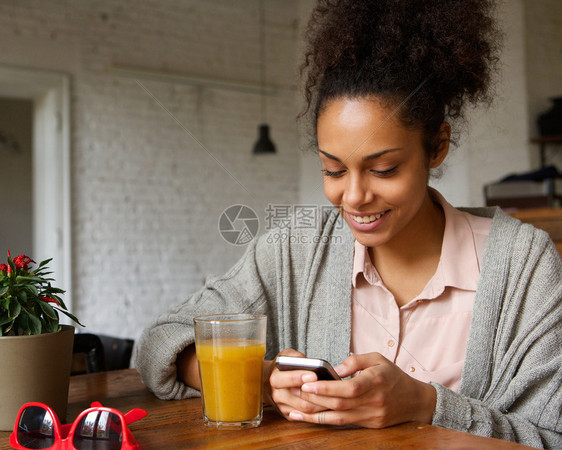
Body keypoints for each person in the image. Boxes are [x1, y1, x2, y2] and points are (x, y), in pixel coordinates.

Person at [134, 0, 561, 447]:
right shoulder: (295, 250)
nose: (354, 196)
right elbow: (162, 342)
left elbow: (551, 435)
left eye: (384, 169)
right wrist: (263, 381)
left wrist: (426, 405)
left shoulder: (521, 264)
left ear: (437, 147)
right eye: (333, 170)